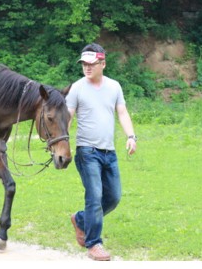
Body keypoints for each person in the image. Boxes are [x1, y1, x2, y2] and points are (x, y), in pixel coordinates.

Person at [66, 43, 137, 261]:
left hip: (109, 152)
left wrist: (131, 137)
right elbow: (66, 117)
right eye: (84, 64)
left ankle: (80, 219)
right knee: (94, 196)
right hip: (87, 151)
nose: (87, 67)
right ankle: (94, 243)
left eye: (91, 64)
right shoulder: (77, 88)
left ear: (102, 64)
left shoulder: (114, 87)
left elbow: (122, 113)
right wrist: (60, 144)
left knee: (113, 197)